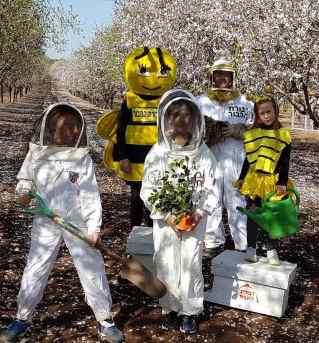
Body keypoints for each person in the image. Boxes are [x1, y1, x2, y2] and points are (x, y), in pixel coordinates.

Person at [2, 103, 123, 343]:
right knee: (36, 267)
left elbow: (89, 194)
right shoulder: (36, 155)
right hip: (45, 222)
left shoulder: (82, 159)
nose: (73, 131)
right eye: (66, 127)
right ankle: (22, 318)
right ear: (50, 129)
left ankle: (105, 320)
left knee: (92, 268)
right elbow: (24, 183)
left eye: (76, 126)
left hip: (77, 224)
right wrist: (24, 194)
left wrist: (94, 227)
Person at [140, 89, 218, 334]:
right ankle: (170, 308)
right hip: (166, 222)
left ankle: (190, 311)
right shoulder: (157, 153)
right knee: (166, 262)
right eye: (175, 115)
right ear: (165, 119)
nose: (181, 121)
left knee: (191, 263)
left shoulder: (204, 154)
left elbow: (211, 187)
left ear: (195, 120)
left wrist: (199, 212)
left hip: (195, 219)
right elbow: (148, 190)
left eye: (186, 115)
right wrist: (167, 215)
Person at [99, 47, 176, 229]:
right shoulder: (130, 100)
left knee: (155, 194)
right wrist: (123, 155)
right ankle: (135, 229)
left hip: (158, 158)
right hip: (134, 159)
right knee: (136, 195)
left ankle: (151, 230)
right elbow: (121, 129)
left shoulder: (165, 100)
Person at [197, 57, 255, 258]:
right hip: (209, 158)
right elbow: (191, 129)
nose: (223, 79)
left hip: (236, 159)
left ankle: (241, 243)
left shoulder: (245, 103)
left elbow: (257, 131)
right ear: (212, 76)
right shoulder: (200, 102)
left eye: (227, 75)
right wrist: (208, 133)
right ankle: (213, 241)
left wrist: (241, 131)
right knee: (210, 199)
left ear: (233, 77)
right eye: (218, 74)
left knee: (236, 201)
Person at [235, 96, 292, 265]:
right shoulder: (253, 135)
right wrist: (241, 178)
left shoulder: (282, 134)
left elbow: (285, 161)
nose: (266, 116)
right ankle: (252, 248)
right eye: (262, 113)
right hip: (254, 180)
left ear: (275, 111)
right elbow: (248, 160)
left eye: (269, 112)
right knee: (253, 214)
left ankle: (271, 248)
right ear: (257, 115)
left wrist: (282, 181)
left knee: (271, 215)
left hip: (272, 181)